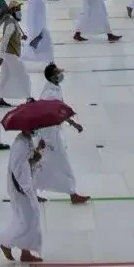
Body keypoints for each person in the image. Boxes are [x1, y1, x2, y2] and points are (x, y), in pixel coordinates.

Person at [34, 63, 89, 205]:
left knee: (44, 164)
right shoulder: (50, 94)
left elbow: (59, 111)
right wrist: (73, 123)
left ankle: (32, 191)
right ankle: (72, 193)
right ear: (52, 77)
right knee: (61, 164)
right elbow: (51, 114)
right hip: (49, 135)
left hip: (53, 132)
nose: (60, 74)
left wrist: (73, 123)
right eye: (57, 72)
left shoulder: (55, 89)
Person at [0, 129, 45, 263]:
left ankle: (25, 252)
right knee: (28, 218)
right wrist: (25, 189)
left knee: (29, 218)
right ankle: (7, 243)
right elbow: (17, 170)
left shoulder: (26, 140)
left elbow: (28, 162)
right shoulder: (20, 145)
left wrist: (37, 152)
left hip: (24, 186)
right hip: (20, 188)